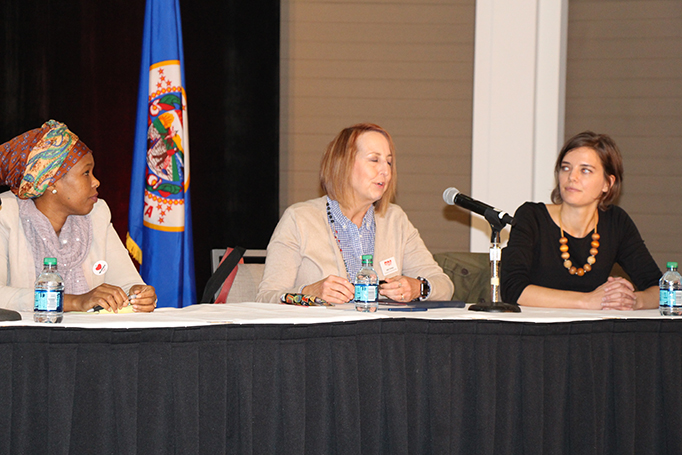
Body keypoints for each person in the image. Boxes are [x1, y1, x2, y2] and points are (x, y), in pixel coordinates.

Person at [256, 123, 454, 304]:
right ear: (343, 164)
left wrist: (418, 288)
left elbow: (444, 285)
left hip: (382, 330)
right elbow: (266, 298)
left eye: (389, 162)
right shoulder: (299, 219)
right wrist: (308, 292)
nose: (385, 171)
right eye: (374, 160)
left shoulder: (395, 220)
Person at [0, 120, 157, 313]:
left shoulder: (97, 214)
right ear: (51, 182)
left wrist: (138, 295)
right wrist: (75, 302)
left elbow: (126, 283)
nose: (96, 181)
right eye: (86, 173)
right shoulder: (5, 214)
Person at [500, 131, 661, 310]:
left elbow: (661, 288)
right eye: (566, 168)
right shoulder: (531, 216)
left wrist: (633, 300)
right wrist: (586, 301)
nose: (572, 177)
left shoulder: (616, 222)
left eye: (585, 170)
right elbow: (512, 289)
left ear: (607, 183)